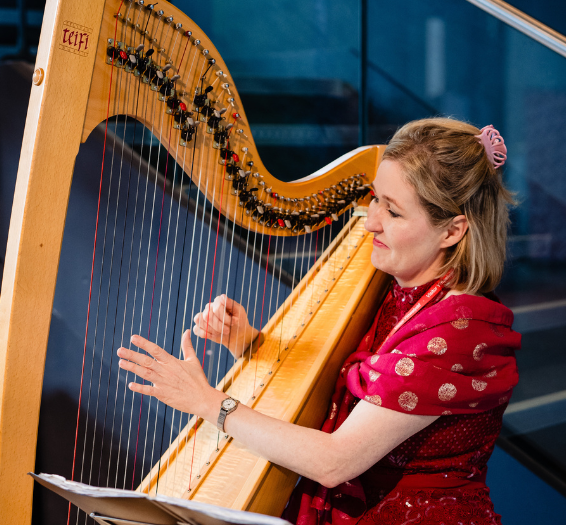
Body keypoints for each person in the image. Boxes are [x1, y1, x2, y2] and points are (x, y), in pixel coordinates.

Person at [117, 117, 521, 524]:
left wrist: (207, 402)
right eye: (374, 198)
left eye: (394, 212)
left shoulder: (460, 332)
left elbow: (335, 462)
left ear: (452, 231)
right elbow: (349, 382)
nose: (370, 222)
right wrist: (249, 342)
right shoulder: (399, 289)